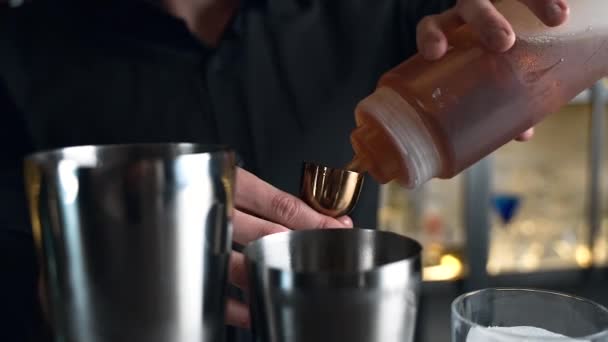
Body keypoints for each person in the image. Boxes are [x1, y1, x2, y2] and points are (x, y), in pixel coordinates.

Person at [0, 0, 567, 340]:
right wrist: (64, 288)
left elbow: (503, 35)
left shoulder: (374, 10)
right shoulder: (21, 49)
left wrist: (502, 47)